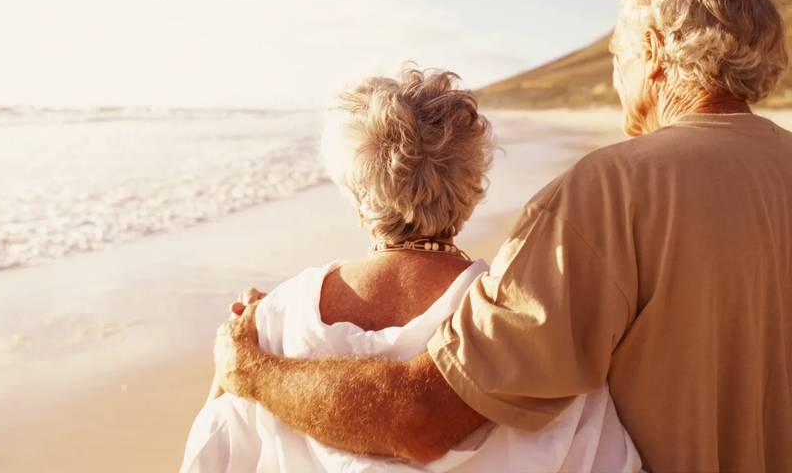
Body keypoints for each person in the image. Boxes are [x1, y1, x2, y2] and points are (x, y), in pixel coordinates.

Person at [213, 0, 792, 472]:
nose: (618, 76)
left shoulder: (612, 191)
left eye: (617, 56)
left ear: (653, 47)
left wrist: (255, 372)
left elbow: (425, 419)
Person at [183, 68, 641, 471]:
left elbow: (212, 454)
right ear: (470, 188)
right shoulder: (523, 324)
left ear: (355, 190)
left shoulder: (269, 324)